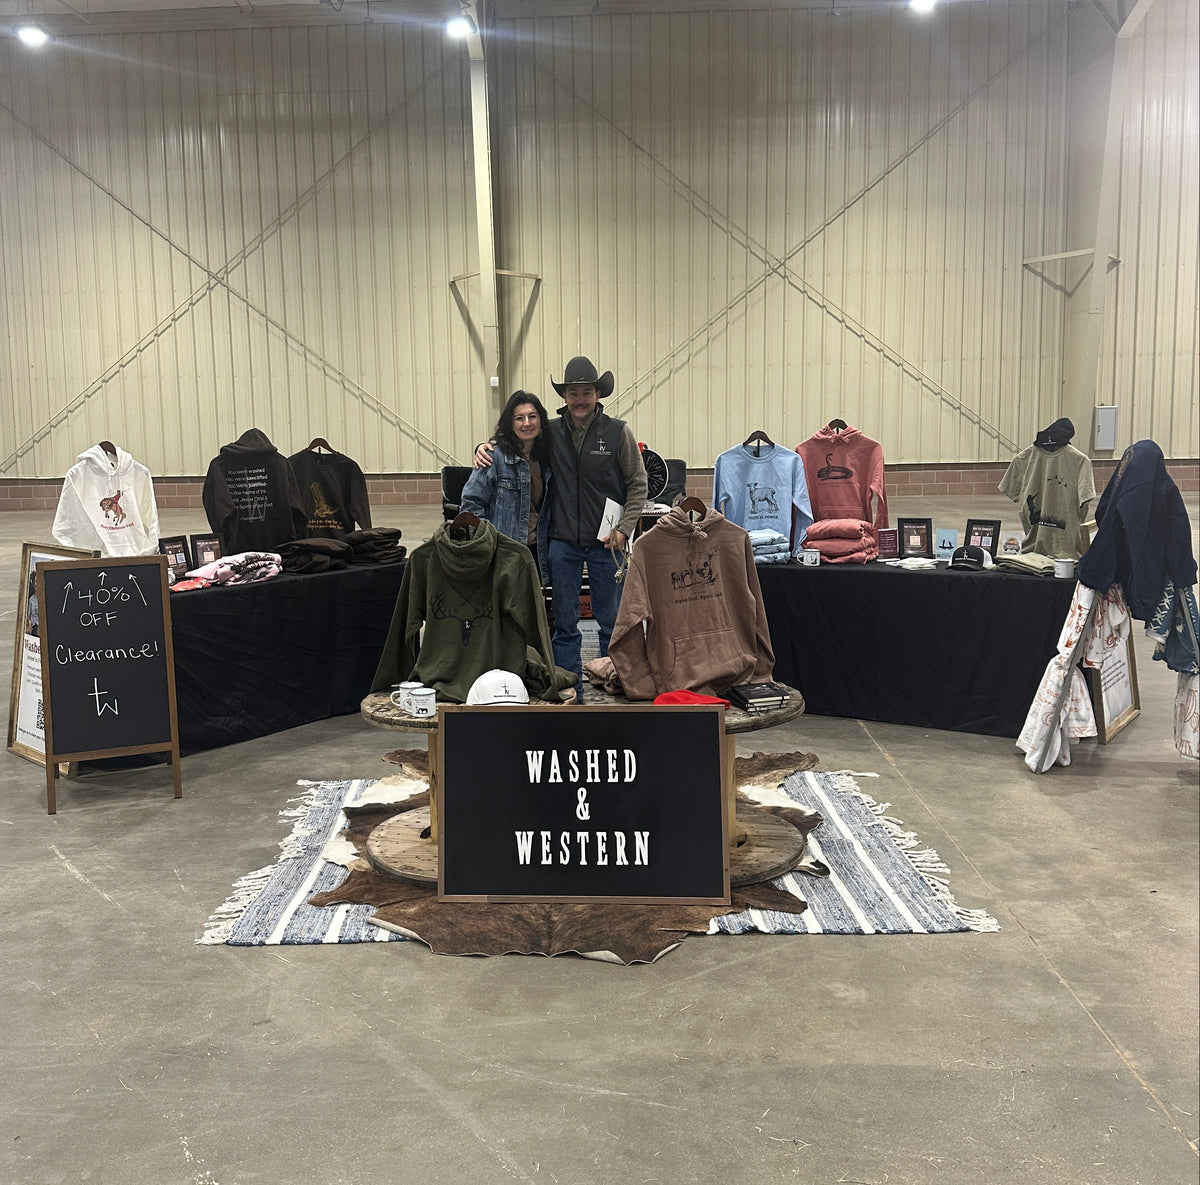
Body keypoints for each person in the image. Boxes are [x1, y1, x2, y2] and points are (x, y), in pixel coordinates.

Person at [476, 355, 647, 697]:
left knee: (612, 623)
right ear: (564, 396)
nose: (580, 399)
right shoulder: (550, 433)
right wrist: (486, 448)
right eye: (573, 392)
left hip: (607, 545)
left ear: (598, 394)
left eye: (586, 392)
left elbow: (638, 483)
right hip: (562, 544)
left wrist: (625, 528)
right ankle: (570, 689)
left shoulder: (618, 433)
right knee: (564, 624)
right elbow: (516, 446)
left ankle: (612, 684)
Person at [459, 390, 553, 582]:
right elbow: (471, 504)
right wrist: (485, 543)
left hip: (538, 551)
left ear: (541, 420)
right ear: (510, 424)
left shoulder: (547, 459)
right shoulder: (494, 458)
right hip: (503, 553)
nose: (527, 423)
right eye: (519, 418)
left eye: (532, 416)